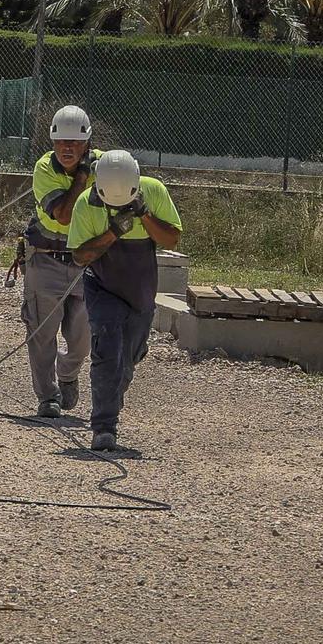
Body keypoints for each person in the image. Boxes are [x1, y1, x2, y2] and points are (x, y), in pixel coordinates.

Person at [67, 150, 184, 451]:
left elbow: (171, 239)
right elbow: (80, 256)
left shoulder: (154, 191)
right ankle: (104, 427)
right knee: (107, 350)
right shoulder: (85, 204)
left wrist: (144, 215)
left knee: (128, 358)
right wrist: (114, 232)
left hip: (140, 290)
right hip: (102, 285)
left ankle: (112, 396)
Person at [22, 105, 96, 418]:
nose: (67, 148)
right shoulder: (44, 169)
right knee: (41, 333)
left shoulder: (103, 165)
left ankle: (68, 372)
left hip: (86, 262)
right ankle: (48, 396)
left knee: (82, 336)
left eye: (74, 143)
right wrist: (81, 177)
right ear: (52, 144)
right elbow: (63, 215)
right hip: (46, 258)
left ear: (87, 144)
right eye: (61, 142)